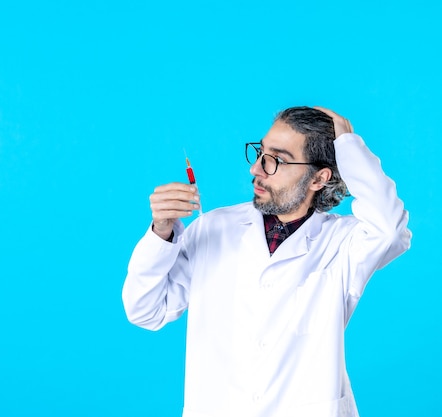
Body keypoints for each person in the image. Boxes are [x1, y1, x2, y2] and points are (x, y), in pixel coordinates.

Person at [122, 106, 411, 417]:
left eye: (278, 160)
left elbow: (391, 230)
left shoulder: (344, 243)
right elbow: (145, 311)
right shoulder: (214, 227)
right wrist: (161, 231)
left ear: (318, 178)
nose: (256, 169)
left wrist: (349, 146)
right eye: (261, 153)